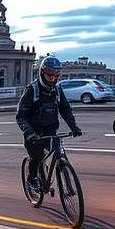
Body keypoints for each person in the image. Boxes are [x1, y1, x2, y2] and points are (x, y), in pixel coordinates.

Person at [16, 56, 82, 193]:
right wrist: (30, 133)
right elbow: (21, 116)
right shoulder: (31, 90)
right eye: (50, 75)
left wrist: (74, 127)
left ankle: (66, 182)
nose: (52, 79)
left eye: (56, 76)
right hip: (34, 133)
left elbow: (65, 109)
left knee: (59, 153)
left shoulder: (57, 90)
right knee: (37, 157)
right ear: (42, 73)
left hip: (51, 130)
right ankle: (32, 179)